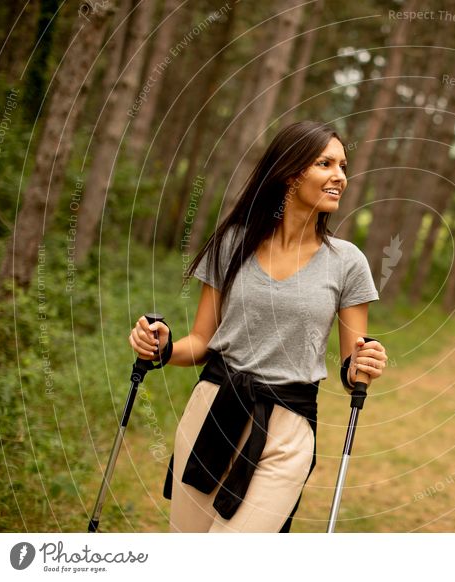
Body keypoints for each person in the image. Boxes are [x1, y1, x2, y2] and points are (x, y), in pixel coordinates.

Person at [128, 121, 388, 532]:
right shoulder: (233, 243)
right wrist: (161, 346)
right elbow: (201, 343)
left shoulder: (347, 261)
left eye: (343, 164)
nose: (340, 175)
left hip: (287, 431)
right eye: (325, 163)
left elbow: (352, 365)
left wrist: (363, 365)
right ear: (290, 172)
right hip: (210, 413)